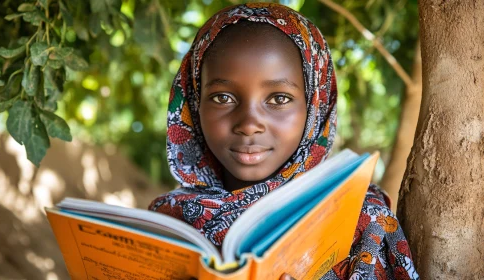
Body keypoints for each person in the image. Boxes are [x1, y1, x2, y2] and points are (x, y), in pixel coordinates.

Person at [149, 3, 419, 279]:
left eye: (279, 99)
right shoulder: (166, 224)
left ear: (315, 106)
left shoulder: (358, 221)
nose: (249, 124)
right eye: (222, 98)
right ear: (194, 106)